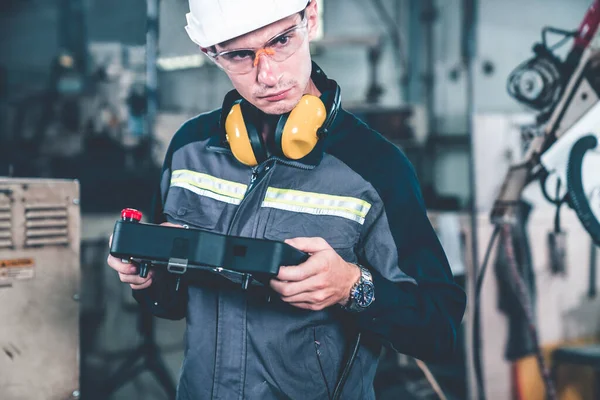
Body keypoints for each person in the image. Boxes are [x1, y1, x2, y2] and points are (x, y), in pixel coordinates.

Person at [107, 1, 466, 399]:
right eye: (240, 55)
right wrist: (148, 279)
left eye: (281, 41)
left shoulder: (375, 167)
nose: (268, 75)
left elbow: (439, 329)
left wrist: (352, 287)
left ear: (310, 18)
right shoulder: (189, 150)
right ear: (210, 53)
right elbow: (171, 304)